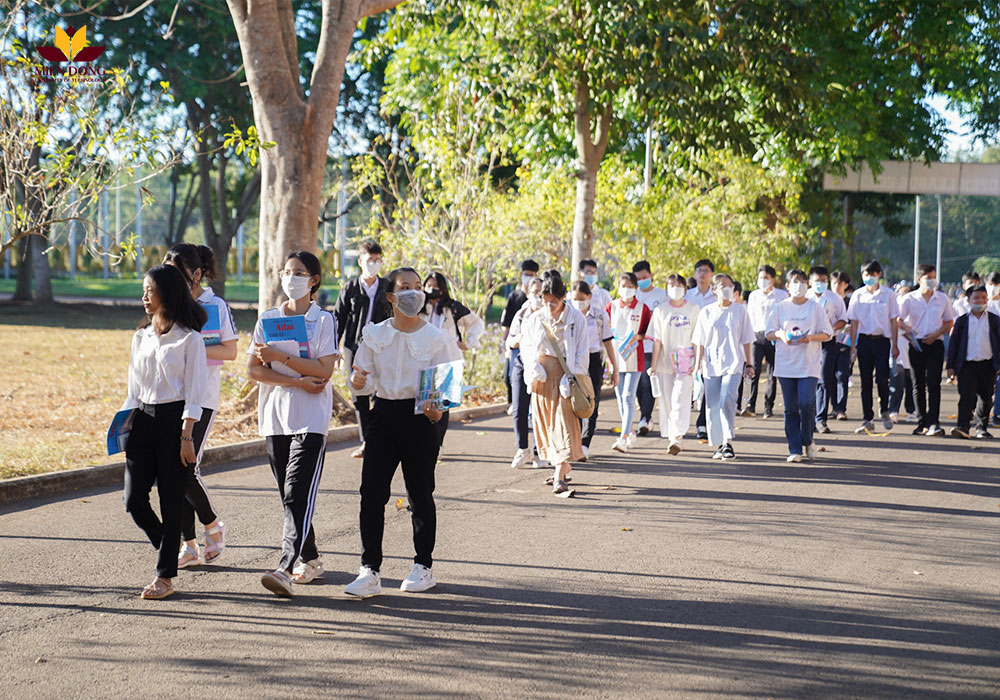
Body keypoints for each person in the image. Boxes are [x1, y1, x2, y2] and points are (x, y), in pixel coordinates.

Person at [344, 268, 452, 597]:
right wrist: (356, 382)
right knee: (372, 493)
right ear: (391, 296)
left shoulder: (435, 337)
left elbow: (444, 391)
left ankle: (423, 566)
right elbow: (358, 377)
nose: (414, 293)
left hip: (420, 420)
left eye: (418, 287)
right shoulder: (375, 333)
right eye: (405, 287)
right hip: (384, 416)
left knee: (420, 495)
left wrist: (438, 408)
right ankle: (369, 571)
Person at [250, 252, 339, 597]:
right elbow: (254, 371)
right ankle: (311, 558)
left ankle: (285, 566)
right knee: (289, 498)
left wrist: (282, 360)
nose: (291, 278)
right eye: (287, 272)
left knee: (296, 492)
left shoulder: (323, 320)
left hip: (311, 418)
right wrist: (297, 379)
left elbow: (325, 370)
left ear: (314, 280)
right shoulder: (268, 320)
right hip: (274, 417)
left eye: (299, 273)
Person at [120, 264, 210, 600]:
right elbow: (132, 389)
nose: (144, 296)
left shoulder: (190, 340)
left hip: (175, 424)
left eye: (150, 290)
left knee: (172, 503)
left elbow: (195, 392)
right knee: (133, 501)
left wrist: (187, 436)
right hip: (141, 420)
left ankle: (164, 577)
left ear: (167, 295)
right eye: (143, 290)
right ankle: (169, 550)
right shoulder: (140, 337)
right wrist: (123, 424)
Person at [162, 244, 237, 569]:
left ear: (195, 273)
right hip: (169, 396)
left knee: (185, 467)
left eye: (176, 272)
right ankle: (190, 546)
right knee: (172, 470)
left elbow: (230, 351)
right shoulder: (169, 303)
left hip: (202, 397)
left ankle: (212, 525)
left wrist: (194, 351)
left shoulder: (214, 305)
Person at [519, 270, 589, 495]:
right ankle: (562, 465)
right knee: (547, 424)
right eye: (545, 301)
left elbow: (581, 351)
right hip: (542, 375)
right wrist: (534, 368)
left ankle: (560, 476)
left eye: (554, 302)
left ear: (563, 298)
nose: (550, 306)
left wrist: (574, 377)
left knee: (564, 423)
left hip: (566, 374)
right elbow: (527, 346)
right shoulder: (535, 318)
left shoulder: (576, 318)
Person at [766, 270, 833, 462]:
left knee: (806, 402)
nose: (799, 285)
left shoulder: (815, 308)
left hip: (808, 363)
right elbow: (769, 332)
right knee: (790, 408)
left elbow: (827, 333)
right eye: (795, 282)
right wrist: (781, 335)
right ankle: (794, 448)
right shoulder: (780, 307)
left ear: (808, 286)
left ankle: (808, 439)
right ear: (787, 286)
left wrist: (810, 337)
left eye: (803, 282)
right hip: (786, 364)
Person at [332, 239, 391, 459]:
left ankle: (379, 439)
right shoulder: (350, 288)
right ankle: (366, 441)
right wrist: (334, 348)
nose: (373, 264)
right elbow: (338, 319)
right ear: (360, 261)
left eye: (377, 260)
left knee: (379, 392)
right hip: (354, 348)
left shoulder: (387, 287)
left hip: (381, 347)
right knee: (359, 394)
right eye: (369, 260)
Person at [692, 273, 754, 460]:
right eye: (721, 285)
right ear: (714, 290)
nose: (726, 288)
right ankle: (719, 444)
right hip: (710, 365)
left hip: (734, 363)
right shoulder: (707, 312)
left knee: (727, 398)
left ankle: (728, 442)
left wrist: (749, 364)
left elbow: (747, 339)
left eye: (729, 285)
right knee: (712, 405)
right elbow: (699, 341)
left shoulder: (740, 311)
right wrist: (697, 366)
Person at [420, 272, 485, 447]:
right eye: (429, 285)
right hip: (423, 361)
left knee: (443, 405)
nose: (432, 289)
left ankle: (438, 444)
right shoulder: (419, 306)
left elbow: (476, 323)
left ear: (442, 289)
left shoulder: (452, 308)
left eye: (436, 286)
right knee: (423, 403)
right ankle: (425, 442)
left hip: (448, 360)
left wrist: (468, 344)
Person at [896, 263, 955, 437]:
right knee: (917, 383)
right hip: (916, 344)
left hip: (935, 343)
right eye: (928, 278)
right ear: (919, 279)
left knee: (934, 383)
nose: (931, 281)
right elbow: (898, 320)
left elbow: (950, 321)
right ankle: (921, 422)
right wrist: (908, 331)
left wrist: (936, 333)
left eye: (933, 277)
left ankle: (934, 422)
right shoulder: (908, 299)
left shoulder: (942, 299)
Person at [647, 274, 700, 454]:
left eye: (678, 285)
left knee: (680, 398)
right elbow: (657, 340)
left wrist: (697, 362)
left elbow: (697, 338)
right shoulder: (660, 310)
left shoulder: (694, 309)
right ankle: (672, 437)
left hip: (686, 362)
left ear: (685, 288)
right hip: (664, 363)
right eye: (671, 285)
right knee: (667, 401)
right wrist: (653, 365)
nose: (675, 288)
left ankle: (677, 436)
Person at [847, 260, 899, 434]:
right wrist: (853, 346)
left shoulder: (888, 294)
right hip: (864, 341)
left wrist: (895, 344)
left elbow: (894, 320)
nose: (870, 277)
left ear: (879, 275)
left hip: (882, 341)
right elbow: (853, 322)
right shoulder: (857, 295)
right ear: (862, 276)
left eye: (873, 274)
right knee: (866, 382)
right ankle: (867, 418)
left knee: (883, 379)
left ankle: (884, 409)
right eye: (866, 274)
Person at [570, 280, 618, 461]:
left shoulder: (599, 316)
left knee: (591, 401)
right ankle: (573, 442)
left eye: (582, 299)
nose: (578, 302)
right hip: (573, 361)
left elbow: (607, 342)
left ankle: (584, 443)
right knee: (572, 401)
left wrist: (614, 368)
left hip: (594, 361)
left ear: (589, 297)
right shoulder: (568, 315)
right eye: (575, 299)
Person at [947, 286, 1000, 439]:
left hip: (988, 364)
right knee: (966, 396)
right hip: (967, 365)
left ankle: (981, 428)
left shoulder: (994, 320)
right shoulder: (962, 322)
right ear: (969, 301)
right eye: (976, 298)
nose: (980, 301)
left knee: (986, 397)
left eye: (983, 298)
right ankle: (962, 427)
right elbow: (954, 345)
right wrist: (951, 366)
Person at [608, 272, 652, 453]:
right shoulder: (611, 306)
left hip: (634, 355)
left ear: (635, 288)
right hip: (616, 356)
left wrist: (637, 337)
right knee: (620, 397)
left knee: (628, 395)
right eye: (622, 285)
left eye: (629, 286)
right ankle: (630, 430)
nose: (626, 289)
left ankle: (623, 437)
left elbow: (646, 330)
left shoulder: (642, 308)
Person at [507, 278, 545, 469]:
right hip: (521, 362)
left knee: (539, 409)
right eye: (534, 291)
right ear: (528, 292)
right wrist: (518, 339)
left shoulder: (549, 313)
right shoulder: (521, 313)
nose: (537, 295)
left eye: (540, 292)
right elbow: (510, 340)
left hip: (542, 365)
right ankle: (523, 449)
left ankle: (539, 452)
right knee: (519, 409)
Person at [744, 265, 788, 420]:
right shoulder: (754, 295)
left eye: (766, 278)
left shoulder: (782, 296)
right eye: (760, 277)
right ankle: (750, 404)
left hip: (774, 336)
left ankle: (768, 406)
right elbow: (749, 316)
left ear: (773, 280)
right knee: (753, 370)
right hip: (756, 335)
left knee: (772, 373)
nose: (762, 281)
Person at [808, 266, 848, 434]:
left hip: (827, 342)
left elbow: (843, 320)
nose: (820, 284)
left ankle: (820, 420)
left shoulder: (835, 298)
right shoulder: (804, 297)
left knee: (824, 379)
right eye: (817, 281)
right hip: (807, 344)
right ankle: (807, 419)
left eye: (823, 281)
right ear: (810, 282)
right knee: (808, 379)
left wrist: (829, 328)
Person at [633, 261, 667, 436]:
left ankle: (645, 418)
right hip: (633, 346)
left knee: (647, 381)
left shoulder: (662, 295)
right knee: (638, 383)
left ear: (651, 275)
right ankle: (645, 415)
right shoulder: (633, 295)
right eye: (638, 279)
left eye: (644, 277)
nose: (642, 281)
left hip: (651, 345)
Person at [501, 260, 541, 408]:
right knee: (509, 376)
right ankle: (514, 402)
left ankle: (527, 407)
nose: (528, 277)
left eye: (532, 275)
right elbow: (507, 323)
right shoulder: (514, 296)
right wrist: (504, 342)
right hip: (515, 342)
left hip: (532, 345)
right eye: (526, 274)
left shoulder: (540, 298)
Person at [686, 259, 717, 441]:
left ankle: (702, 423)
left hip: (711, 347)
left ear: (711, 274)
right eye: (699, 270)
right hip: (688, 347)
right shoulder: (688, 295)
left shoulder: (717, 296)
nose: (702, 274)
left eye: (706, 270)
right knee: (687, 386)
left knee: (707, 384)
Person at [888, 285, 917, 422]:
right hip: (897, 352)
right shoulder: (894, 310)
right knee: (896, 382)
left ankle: (911, 410)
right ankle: (893, 410)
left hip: (911, 353)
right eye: (902, 292)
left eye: (907, 292)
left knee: (912, 383)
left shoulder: (914, 310)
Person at [830, 270, 853, 420]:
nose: (836, 286)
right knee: (829, 375)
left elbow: (856, 320)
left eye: (839, 283)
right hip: (829, 342)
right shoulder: (827, 300)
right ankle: (834, 408)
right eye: (833, 283)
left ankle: (841, 408)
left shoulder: (851, 302)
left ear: (845, 285)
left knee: (842, 374)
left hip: (846, 342)